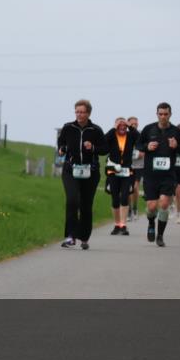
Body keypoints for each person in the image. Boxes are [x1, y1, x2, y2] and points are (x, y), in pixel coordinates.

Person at [57, 100, 107, 250]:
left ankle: (84, 237)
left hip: (90, 172)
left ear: (88, 113)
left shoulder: (95, 130)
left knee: (86, 204)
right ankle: (70, 236)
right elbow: (61, 143)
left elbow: (104, 149)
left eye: (82, 112)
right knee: (72, 200)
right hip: (70, 170)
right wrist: (62, 149)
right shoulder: (68, 128)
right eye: (77, 111)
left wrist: (92, 148)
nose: (79, 114)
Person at [137, 103, 180, 248]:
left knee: (164, 204)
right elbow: (138, 145)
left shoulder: (176, 132)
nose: (163, 117)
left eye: (166, 114)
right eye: (160, 114)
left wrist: (176, 146)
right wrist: (147, 147)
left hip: (168, 175)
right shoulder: (148, 129)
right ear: (157, 114)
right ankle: (151, 223)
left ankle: (160, 236)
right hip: (150, 175)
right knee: (152, 207)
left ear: (170, 114)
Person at [104, 116, 139, 235]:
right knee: (115, 198)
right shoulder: (112, 135)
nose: (122, 128)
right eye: (120, 126)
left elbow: (139, 137)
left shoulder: (131, 136)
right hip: (113, 171)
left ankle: (124, 225)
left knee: (124, 197)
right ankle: (116, 224)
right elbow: (103, 140)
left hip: (127, 172)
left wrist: (129, 125)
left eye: (124, 126)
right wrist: (114, 127)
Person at [127, 116, 144, 221]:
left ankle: (135, 208)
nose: (134, 125)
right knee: (128, 189)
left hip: (139, 166)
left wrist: (143, 153)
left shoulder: (141, 135)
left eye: (135, 124)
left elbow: (147, 147)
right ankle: (128, 210)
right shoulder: (126, 135)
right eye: (132, 124)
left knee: (135, 187)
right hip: (128, 165)